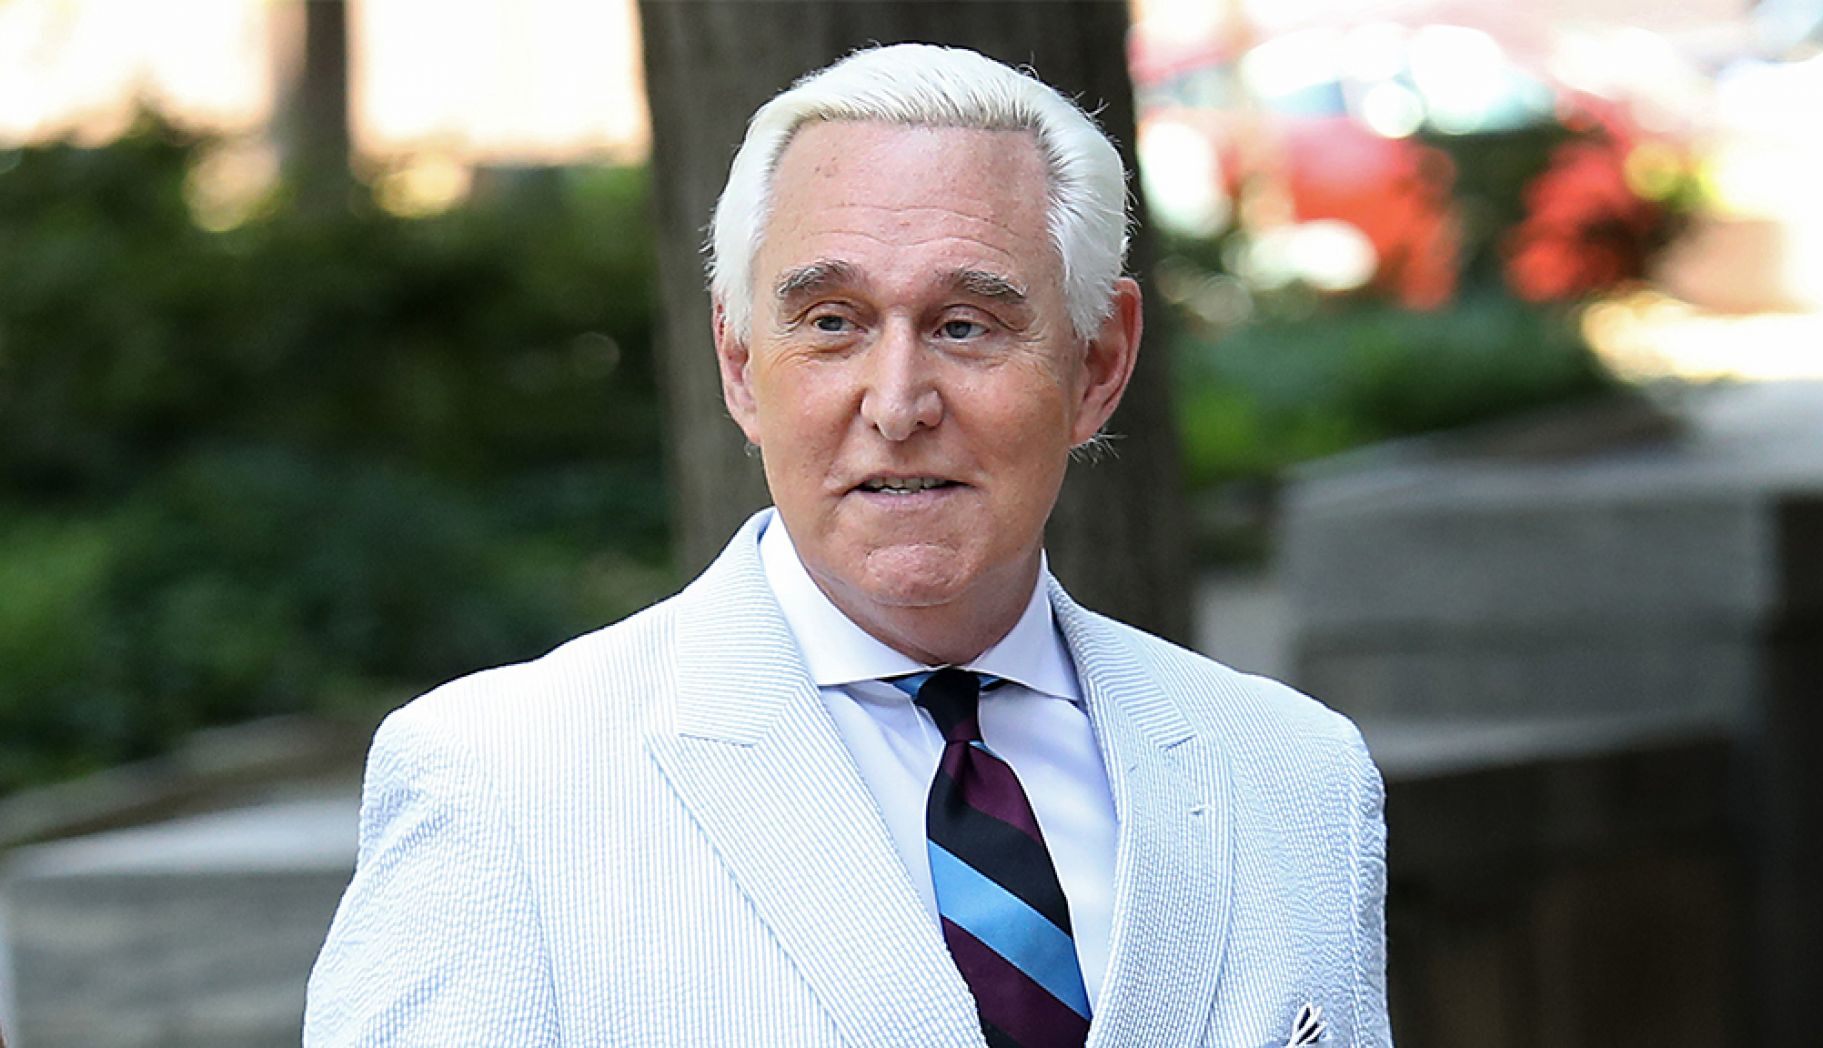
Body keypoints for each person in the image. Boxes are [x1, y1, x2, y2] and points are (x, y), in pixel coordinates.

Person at [305, 43, 1389, 1047]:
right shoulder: (505, 783)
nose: (898, 399)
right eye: (831, 321)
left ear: (1098, 363)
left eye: (966, 323)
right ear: (738, 365)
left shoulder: (1293, 775)